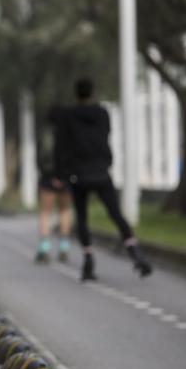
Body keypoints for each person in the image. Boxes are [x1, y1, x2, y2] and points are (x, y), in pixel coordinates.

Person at [55, 77, 152, 281]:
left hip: (78, 174)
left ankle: (88, 259)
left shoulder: (68, 116)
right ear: (93, 92)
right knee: (116, 214)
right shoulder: (102, 114)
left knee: (82, 218)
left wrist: (61, 173)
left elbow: (62, 146)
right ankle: (135, 253)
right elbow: (106, 135)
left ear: (76, 93)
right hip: (100, 171)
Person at [35, 107, 72, 263]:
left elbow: (40, 157)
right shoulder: (69, 133)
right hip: (65, 178)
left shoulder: (45, 133)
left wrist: (46, 174)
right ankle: (64, 248)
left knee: (45, 213)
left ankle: (44, 249)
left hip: (47, 178)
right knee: (64, 211)